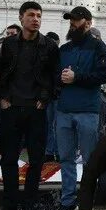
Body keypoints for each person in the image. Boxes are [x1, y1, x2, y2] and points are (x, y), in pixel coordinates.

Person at [0, 1, 59, 210]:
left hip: (36, 110)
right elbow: (0, 73)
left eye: (39, 15)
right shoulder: (9, 45)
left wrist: (44, 99)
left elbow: (54, 77)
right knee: (9, 159)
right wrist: (3, 98)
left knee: (36, 160)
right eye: (31, 15)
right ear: (21, 18)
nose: (36, 19)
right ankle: (10, 205)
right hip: (11, 109)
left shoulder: (49, 46)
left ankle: (28, 205)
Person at [53, 6, 106, 210]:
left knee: (89, 159)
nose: (72, 24)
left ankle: (87, 201)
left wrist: (76, 77)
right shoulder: (64, 49)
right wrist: (59, 81)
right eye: (70, 20)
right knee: (66, 158)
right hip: (64, 110)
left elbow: (104, 75)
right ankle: (68, 201)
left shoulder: (98, 47)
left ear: (88, 22)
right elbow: (54, 76)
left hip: (87, 110)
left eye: (76, 20)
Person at [44, 31, 61, 162]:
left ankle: (58, 151)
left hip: (58, 96)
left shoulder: (61, 56)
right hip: (48, 96)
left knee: (58, 125)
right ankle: (50, 152)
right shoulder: (43, 56)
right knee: (49, 124)